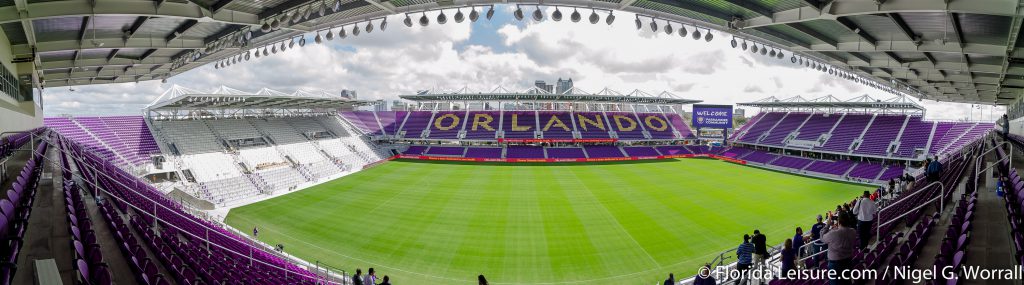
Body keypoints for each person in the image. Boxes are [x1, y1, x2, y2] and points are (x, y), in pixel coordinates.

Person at [821, 216, 858, 285]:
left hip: (835, 265)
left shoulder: (834, 233)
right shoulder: (853, 231)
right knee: (846, 281)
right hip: (848, 261)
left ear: (839, 222)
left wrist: (828, 225)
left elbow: (822, 237)